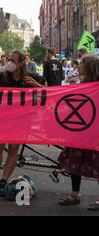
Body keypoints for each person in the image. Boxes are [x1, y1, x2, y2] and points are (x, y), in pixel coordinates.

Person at [0, 50, 47, 197]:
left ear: (22, 63)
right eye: (9, 59)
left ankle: (3, 181)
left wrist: (37, 86)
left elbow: (47, 92)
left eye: (13, 60)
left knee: (13, 150)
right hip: (3, 118)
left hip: (22, 121)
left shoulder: (31, 78)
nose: (9, 62)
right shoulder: (0, 77)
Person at [58, 54, 99, 211]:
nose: (78, 65)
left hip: (93, 132)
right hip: (79, 131)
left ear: (88, 66)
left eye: (81, 63)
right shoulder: (80, 83)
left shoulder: (95, 85)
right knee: (75, 161)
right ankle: (74, 194)